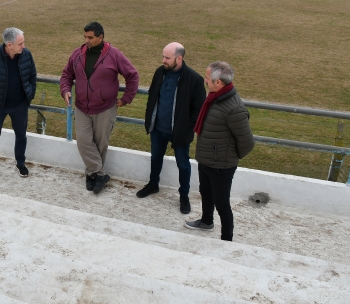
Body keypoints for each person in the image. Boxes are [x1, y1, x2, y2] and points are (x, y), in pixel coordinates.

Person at [60, 22, 139, 194]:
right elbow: (66, 75)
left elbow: (132, 75)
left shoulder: (114, 54)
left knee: (100, 144)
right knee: (83, 142)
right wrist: (65, 90)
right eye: (85, 37)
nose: (86, 40)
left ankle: (92, 175)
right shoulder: (77, 54)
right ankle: (100, 173)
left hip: (105, 107)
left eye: (90, 37)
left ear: (101, 37)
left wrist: (126, 99)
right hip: (82, 107)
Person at [185, 61, 254, 241]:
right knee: (205, 192)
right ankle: (207, 221)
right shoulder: (214, 98)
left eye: (207, 77)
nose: (205, 80)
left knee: (222, 204)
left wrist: (227, 157)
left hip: (221, 166)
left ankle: (226, 240)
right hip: (207, 160)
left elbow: (247, 143)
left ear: (218, 82)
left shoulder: (234, 109)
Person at [138, 42, 206, 214]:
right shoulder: (160, 72)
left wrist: (188, 130)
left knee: (183, 164)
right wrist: (150, 121)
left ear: (179, 58)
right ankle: (153, 184)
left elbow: (198, 110)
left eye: (167, 58)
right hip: (158, 129)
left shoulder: (195, 80)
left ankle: (184, 195)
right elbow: (152, 97)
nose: (163, 60)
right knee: (155, 158)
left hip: (180, 133)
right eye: (163, 56)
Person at [0, 27, 37, 183]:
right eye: (20, 43)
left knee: (21, 136)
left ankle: (20, 163)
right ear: (9, 45)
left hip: (20, 106)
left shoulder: (26, 55)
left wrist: (29, 94)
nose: (24, 46)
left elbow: (32, 76)